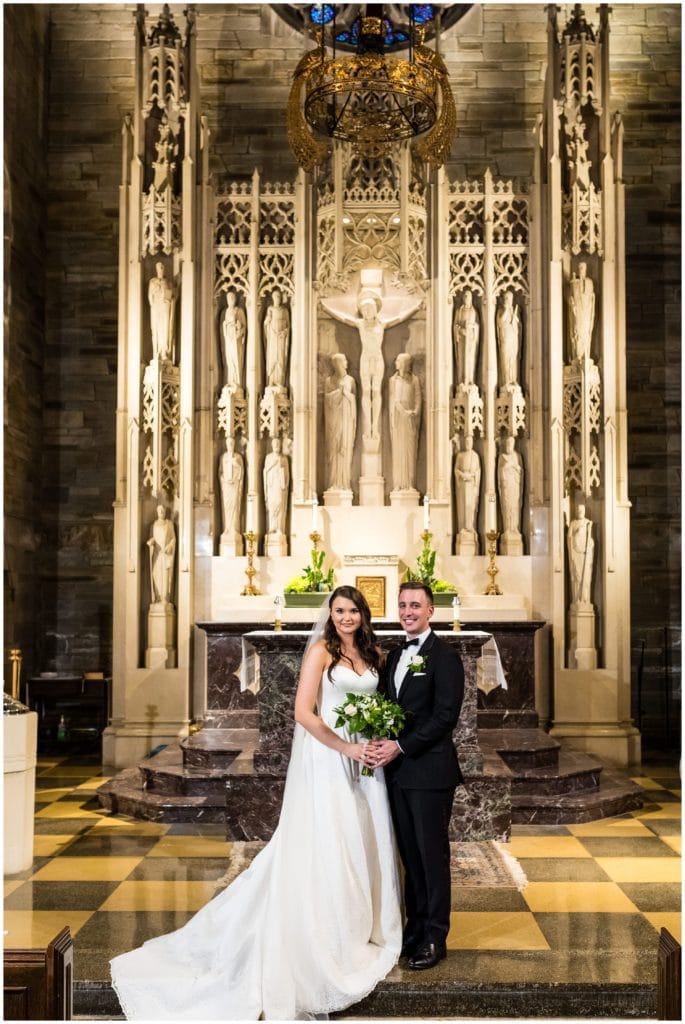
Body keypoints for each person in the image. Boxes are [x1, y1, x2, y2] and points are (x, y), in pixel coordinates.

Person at [110, 586, 402, 1019]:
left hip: (367, 757)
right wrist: (346, 747)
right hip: (331, 756)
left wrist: (376, 736)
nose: (345, 617)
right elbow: (304, 712)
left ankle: (364, 925)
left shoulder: (374, 652)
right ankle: (329, 932)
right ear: (331, 614)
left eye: (353, 610)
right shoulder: (321, 651)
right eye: (339, 610)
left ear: (363, 613)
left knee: (362, 835)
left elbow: (380, 703)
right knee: (331, 840)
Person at [371, 582, 464, 971]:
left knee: (432, 858)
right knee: (410, 857)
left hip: (429, 772)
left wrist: (401, 746)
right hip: (397, 775)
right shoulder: (393, 656)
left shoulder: (445, 657)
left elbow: (445, 717)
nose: (408, 611)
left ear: (431, 611)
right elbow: (388, 708)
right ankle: (413, 931)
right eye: (403, 604)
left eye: (416, 605)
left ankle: (434, 937)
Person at [389, 352, 422, 491]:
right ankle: (398, 484)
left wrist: (415, 411)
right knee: (398, 452)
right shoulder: (393, 380)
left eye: (398, 361)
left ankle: (409, 484)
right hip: (398, 421)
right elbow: (394, 401)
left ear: (404, 363)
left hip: (410, 422)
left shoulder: (414, 380)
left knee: (409, 451)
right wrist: (404, 413)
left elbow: (418, 397)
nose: (396, 363)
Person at [324, 352, 356, 491]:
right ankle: (334, 483)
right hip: (334, 422)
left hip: (347, 422)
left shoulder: (350, 380)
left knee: (345, 450)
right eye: (343, 361)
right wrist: (339, 392)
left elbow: (354, 399)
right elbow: (326, 399)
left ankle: (344, 484)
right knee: (334, 450)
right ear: (337, 364)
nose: (347, 363)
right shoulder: (329, 381)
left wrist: (346, 394)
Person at [147, 504, 176, 604]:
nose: (161, 512)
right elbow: (152, 537)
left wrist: (170, 546)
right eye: (159, 510)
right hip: (156, 554)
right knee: (156, 574)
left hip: (166, 554)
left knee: (165, 574)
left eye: (162, 510)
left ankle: (165, 597)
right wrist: (151, 542)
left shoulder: (169, 524)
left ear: (165, 512)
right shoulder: (153, 525)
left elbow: (173, 538)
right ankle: (158, 596)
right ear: (157, 512)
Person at [567, 503, 594, 605]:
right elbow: (569, 538)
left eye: (582, 511)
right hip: (576, 555)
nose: (580, 512)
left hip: (585, 555)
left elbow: (591, 541)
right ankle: (577, 599)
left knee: (586, 578)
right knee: (577, 576)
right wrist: (576, 535)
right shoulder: (573, 524)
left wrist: (589, 547)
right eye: (578, 510)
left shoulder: (588, 523)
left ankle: (585, 599)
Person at [148, 261, 175, 361]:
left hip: (165, 307)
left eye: (162, 268)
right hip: (156, 307)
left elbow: (173, 296)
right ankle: (156, 352)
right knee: (156, 329)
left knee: (165, 329)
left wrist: (168, 298)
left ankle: (164, 352)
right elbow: (150, 297)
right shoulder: (152, 281)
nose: (160, 270)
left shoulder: (168, 283)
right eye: (159, 268)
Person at [264, 288, 290, 389]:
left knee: (281, 358)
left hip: (281, 338)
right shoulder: (270, 309)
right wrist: (267, 321)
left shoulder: (284, 310)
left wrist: (284, 332)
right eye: (275, 296)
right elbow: (265, 325)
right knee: (272, 358)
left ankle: (280, 381)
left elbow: (288, 325)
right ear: (272, 298)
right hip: (273, 338)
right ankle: (271, 381)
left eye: (279, 296)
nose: (277, 299)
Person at [568, 262, 595, 362]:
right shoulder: (574, 283)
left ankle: (585, 354)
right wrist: (572, 304)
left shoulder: (589, 282)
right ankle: (577, 355)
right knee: (577, 331)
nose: (581, 269)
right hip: (578, 312)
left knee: (586, 332)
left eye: (583, 268)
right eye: (580, 267)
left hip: (586, 312)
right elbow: (571, 297)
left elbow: (592, 298)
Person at [263, 436, 289, 535]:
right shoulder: (268, 457)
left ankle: (279, 527)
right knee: (272, 504)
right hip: (271, 484)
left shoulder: (284, 458)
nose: (276, 446)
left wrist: (285, 484)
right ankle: (272, 526)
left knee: (279, 503)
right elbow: (265, 471)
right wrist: (272, 465)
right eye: (275, 444)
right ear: (272, 446)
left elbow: (287, 473)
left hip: (280, 485)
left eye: (278, 444)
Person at [453, 289, 480, 386]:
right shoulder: (459, 311)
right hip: (461, 340)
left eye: (468, 296)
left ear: (471, 299)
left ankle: (470, 380)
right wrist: (459, 331)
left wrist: (472, 327)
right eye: (465, 296)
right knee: (461, 360)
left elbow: (477, 326)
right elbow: (455, 325)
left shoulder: (474, 312)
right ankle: (461, 380)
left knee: (470, 360)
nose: (466, 298)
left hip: (471, 341)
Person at [221, 290, 246, 391]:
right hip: (229, 339)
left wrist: (240, 327)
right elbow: (223, 326)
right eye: (229, 298)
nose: (230, 300)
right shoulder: (225, 311)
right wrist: (226, 325)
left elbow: (244, 326)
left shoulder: (239, 310)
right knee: (229, 359)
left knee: (237, 359)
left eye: (232, 298)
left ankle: (237, 382)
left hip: (237, 338)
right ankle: (230, 381)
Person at [496, 289, 521, 388]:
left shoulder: (515, 310)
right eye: (505, 298)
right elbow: (500, 322)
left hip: (513, 338)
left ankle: (513, 379)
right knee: (505, 358)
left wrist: (515, 319)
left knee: (513, 359)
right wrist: (506, 310)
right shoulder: (501, 311)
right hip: (505, 338)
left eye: (508, 298)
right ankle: (506, 381)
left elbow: (519, 325)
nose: (506, 300)